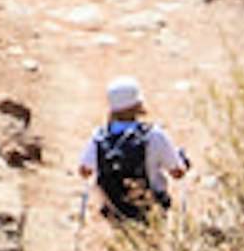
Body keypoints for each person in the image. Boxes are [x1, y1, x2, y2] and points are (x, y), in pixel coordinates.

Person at [79, 78, 187, 237]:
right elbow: (177, 172)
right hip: (151, 206)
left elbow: (84, 170)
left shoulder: (100, 137)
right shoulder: (154, 135)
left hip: (115, 209)